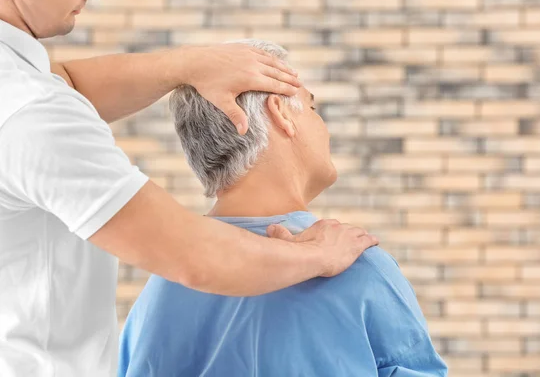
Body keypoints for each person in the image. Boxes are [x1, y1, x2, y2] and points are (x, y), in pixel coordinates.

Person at [0, 0, 378, 376]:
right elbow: (197, 259)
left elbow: (66, 84)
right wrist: (319, 253)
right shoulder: (33, 111)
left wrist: (185, 65)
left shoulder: (21, 85)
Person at [119, 39, 448, 377]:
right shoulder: (353, 262)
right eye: (312, 108)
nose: (324, 129)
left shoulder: (160, 291)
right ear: (280, 112)